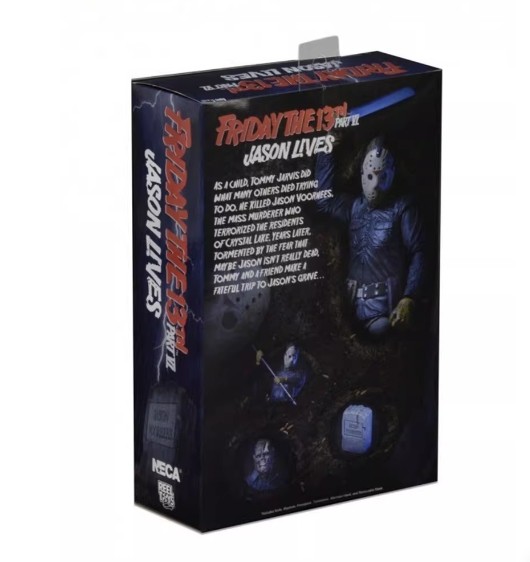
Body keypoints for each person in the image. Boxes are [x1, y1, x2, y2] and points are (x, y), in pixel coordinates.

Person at [315, 136, 426, 338]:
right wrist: (325, 150)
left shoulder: (402, 208)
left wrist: (409, 297)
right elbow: (323, 202)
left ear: (392, 174)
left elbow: (418, 251)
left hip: (383, 307)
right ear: (362, 173)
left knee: (381, 331)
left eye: (382, 177)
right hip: (350, 304)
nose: (375, 185)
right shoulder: (354, 207)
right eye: (370, 176)